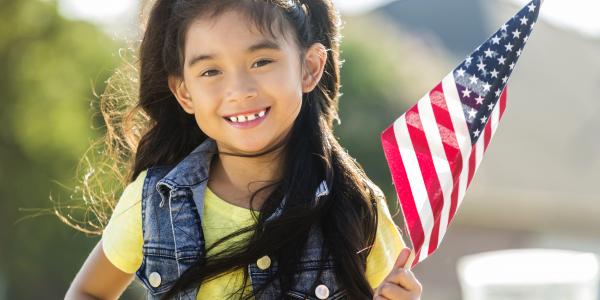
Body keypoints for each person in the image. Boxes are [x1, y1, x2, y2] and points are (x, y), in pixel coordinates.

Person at [65, 0, 422, 299]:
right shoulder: (153, 201)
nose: (239, 90)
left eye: (261, 62)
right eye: (210, 71)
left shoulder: (354, 205)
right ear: (184, 92)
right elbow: (88, 292)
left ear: (309, 67)